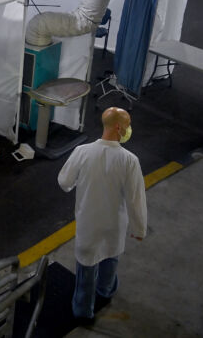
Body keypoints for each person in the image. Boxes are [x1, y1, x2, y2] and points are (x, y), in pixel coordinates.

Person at [57, 106, 147, 323]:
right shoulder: (129, 160)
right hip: (114, 226)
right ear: (118, 127)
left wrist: (81, 183)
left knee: (86, 271)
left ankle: (83, 313)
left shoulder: (82, 152)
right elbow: (135, 199)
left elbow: (64, 182)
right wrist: (139, 228)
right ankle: (105, 293)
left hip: (89, 225)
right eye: (127, 125)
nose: (128, 129)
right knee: (109, 263)